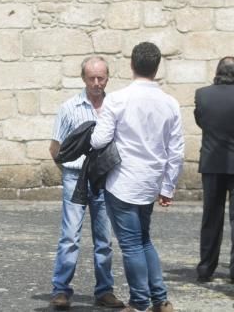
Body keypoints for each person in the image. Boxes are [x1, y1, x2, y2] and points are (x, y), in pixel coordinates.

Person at [91, 42, 183, 312]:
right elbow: (176, 150)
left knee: (131, 244)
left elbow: (99, 141)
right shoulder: (170, 103)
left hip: (122, 182)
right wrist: (168, 187)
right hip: (151, 181)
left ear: (132, 65)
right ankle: (161, 300)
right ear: (156, 68)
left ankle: (140, 302)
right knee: (144, 239)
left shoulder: (117, 99)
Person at [48, 56, 125, 310]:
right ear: (83, 78)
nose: (96, 83)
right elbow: (55, 148)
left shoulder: (115, 106)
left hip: (103, 180)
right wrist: (70, 171)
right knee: (70, 236)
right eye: (91, 78)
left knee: (104, 238)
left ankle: (104, 290)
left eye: (101, 78)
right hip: (74, 177)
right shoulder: (69, 107)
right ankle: (61, 290)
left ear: (107, 77)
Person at [193, 56, 234, 283]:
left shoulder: (202, 94)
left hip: (212, 163)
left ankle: (206, 267)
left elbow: (202, 121)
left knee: (211, 217)